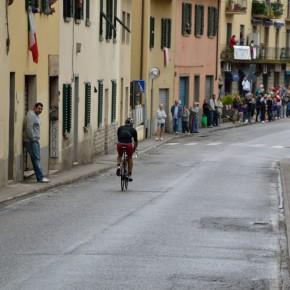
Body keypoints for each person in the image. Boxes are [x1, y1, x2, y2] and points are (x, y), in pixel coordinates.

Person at [23, 102, 50, 183]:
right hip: (32, 141)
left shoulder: (36, 115)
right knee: (37, 159)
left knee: (35, 159)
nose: (40, 110)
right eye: (39, 108)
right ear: (34, 108)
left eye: (41, 109)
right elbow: (29, 128)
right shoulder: (31, 115)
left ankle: (39, 178)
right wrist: (33, 139)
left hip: (34, 140)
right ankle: (41, 177)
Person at [116, 118, 138, 182]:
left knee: (119, 155)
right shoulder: (133, 130)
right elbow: (136, 142)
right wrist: (133, 150)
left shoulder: (120, 128)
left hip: (120, 144)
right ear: (131, 124)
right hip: (128, 145)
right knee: (130, 158)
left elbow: (119, 137)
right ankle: (129, 174)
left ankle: (118, 167)